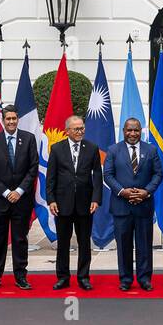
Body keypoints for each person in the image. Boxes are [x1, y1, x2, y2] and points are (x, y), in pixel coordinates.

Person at [0, 103, 40, 290]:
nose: (11, 121)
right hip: (0, 200)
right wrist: (7, 192)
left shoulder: (29, 139)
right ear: (3, 120)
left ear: (18, 119)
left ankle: (21, 277)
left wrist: (19, 191)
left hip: (22, 200)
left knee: (20, 239)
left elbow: (33, 168)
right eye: (8, 119)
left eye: (14, 118)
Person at [103, 117, 162, 291]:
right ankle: (126, 279)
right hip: (121, 206)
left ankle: (144, 278)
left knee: (144, 245)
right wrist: (123, 191)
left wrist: (146, 192)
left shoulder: (151, 150)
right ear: (123, 131)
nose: (132, 133)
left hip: (144, 205)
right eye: (129, 130)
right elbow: (108, 175)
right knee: (123, 245)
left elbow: (158, 175)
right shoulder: (113, 150)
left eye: (136, 130)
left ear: (141, 131)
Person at [45, 115, 102, 291]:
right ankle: (63, 277)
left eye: (82, 128)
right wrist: (51, 200)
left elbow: (97, 176)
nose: (80, 131)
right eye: (76, 129)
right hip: (63, 204)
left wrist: (96, 199)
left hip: (85, 204)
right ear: (67, 131)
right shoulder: (57, 149)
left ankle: (83, 277)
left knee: (84, 242)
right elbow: (51, 178)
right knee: (63, 242)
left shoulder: (92, 148)